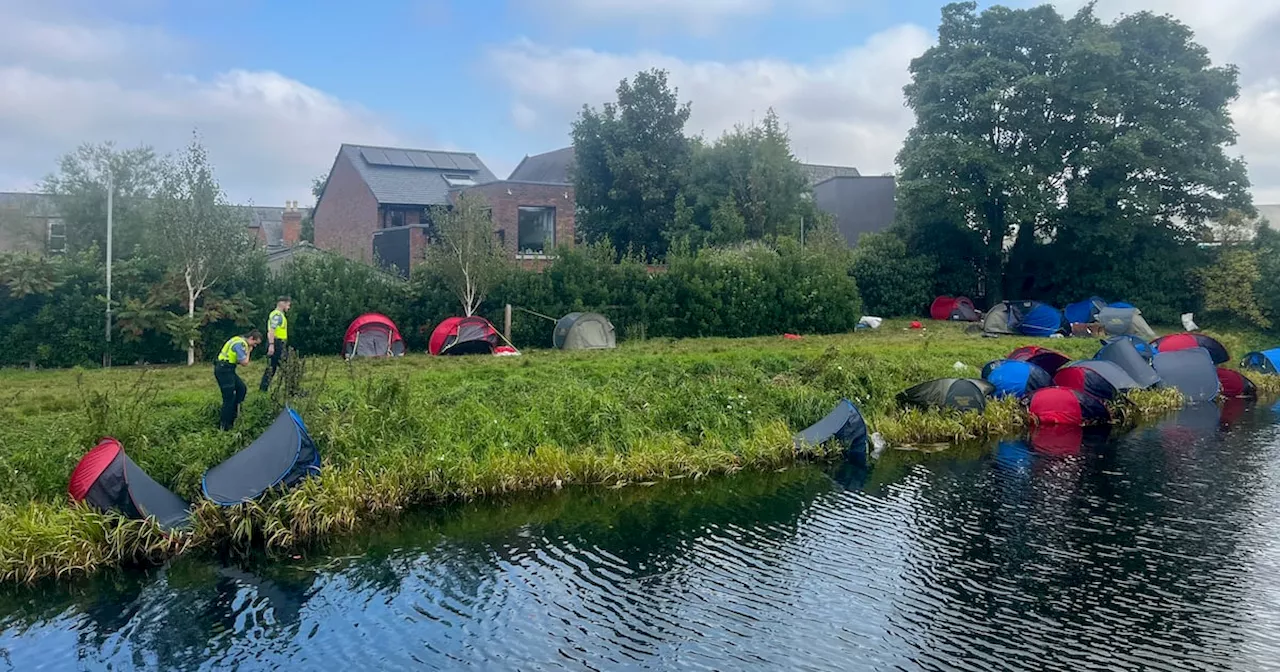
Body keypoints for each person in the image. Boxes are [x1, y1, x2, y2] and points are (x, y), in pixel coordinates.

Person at [216, 330, 261, 430]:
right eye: (254, 344)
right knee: (229, 398)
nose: (254, 346)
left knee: (241, 389)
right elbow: (244, 362)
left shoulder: (237, 339)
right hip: (224, 370)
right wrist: (249, 351)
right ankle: (225, 425)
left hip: (228, 369)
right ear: (251, 338)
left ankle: (235, 413)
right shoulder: (240, 344)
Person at [259, 296, 292, 392]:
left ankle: (263, 390)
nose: (289, 307)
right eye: (288, 305)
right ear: (282, 303)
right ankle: (292, 390)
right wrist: (271, 345)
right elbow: (271, 330)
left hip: (278, 344)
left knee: (272, 368)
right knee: (287, 367)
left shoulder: (280, 315)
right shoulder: (277, 315)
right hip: (277, 344)